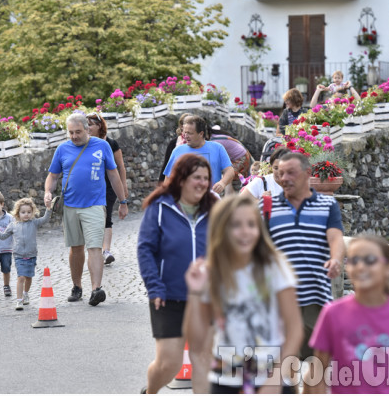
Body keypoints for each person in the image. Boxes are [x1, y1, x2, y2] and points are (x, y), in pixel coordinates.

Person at [183, 195, 303, 393]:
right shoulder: (211, 273)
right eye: (236, 225)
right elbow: (196, 340)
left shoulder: (275, 267)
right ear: (222, 230)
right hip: (226, 380)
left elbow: (295, 330)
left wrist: (275, 381)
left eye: (251, 224)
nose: (245, 232)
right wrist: (194, 293)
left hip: (272, 379)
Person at [258, 151, 346, 393]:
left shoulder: (327, 205)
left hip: (317, 296)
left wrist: (336, 259)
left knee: (320, 363)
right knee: (287, 363)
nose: (284, 178)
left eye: (291, 173)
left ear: (308, 174)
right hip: (281, 299)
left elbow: (336, 238)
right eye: (281, 172)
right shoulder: (267, 206)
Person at [137, 154, 218, 394]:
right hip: (168, 296)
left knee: (203, 362)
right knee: (169, 364)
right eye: (197, 177)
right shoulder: (160, 207)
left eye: (206, 178)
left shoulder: (214, 207)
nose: (202, 183)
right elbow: (145, 249)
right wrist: (155, 287)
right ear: (181, 179)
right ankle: (150, 391)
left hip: (205, 299)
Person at [309, 234, 389, 393]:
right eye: (353, 260)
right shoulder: (332, 313)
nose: (360, 266)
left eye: (370, 260)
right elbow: (316, 374)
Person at [44, 112, 129, 307]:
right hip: (71, 206)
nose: (74, 136)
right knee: (76, 248)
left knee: (94, 247)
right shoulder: (62, 149)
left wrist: (123, 201)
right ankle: (77, 286)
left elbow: (114, 175)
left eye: (78, 132)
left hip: (95, 204)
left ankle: (96, 289)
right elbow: (53, 176)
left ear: (87, 129)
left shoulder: (102, 146)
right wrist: (48, 192)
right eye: (71, 132)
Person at [0, 197, 52, 311]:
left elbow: (45, 219)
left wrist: (48, 208)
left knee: (28, 277)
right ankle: (19, 300)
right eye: (23, 212)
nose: (26, 215)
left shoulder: (34, 223)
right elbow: (3, 236)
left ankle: (26, 293)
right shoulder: (13, 225)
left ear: (32, 212)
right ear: (18, 213)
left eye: (29, 212)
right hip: (18, 256)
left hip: (31, 255)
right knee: (21, 277)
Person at [86, 111, 129, 265]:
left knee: (107, 216)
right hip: (90, 187)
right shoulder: (85, 143)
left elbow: (121, 167)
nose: (87, 128)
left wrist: (123, 187)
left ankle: (106, 251)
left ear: (99, 126)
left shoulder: (111, 144)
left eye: (90, 125)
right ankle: (96, 249)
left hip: (109, 186)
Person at [163, 115, 234, 195]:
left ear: (201, 134)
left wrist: (223, 183)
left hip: (210, 200)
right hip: (184, 202)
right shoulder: (177, 151)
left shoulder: (217, 148)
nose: (185, 136)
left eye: (190, 133)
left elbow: (229, 170)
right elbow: (168, 178)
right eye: (184, 132)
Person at [209, 126, 253, 194]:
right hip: (238, 156)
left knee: (227, 176)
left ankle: (229, 198)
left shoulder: (213, 142)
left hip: (241, 158)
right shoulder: (214, 137)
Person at [158, 113, 191, 184]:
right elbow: (167, 164)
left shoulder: (198, 143)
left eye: (191, 124)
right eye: (187, 124)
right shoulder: (173, 143)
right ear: (181, 126)